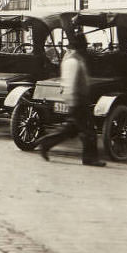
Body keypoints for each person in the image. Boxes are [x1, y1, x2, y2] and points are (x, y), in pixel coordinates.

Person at [37, 21, 106, 167]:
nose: (85, 49)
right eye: (84, 47)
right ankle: (90, 158)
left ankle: (46, 143)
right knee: (88, 130)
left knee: (71, 128)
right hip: (78, 99)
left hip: (76, 99)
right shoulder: (74, 61)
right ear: (79, 47)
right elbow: (72, 82)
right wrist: (75, 99)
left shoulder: (71, 59)